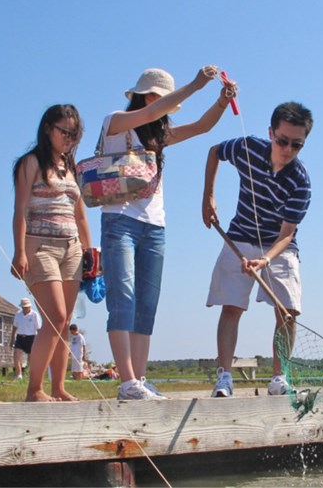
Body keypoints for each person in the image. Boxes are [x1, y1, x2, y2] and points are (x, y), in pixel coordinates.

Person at [102, 66, 236, 401]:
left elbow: (201, 127)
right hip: (120, 219)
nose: (158, 106)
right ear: (141, 94)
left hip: (155, 226)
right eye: (155, 96)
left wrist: (221, 101)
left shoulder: (158, 136)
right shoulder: (115, 122)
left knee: (146, 304)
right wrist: (195, 85)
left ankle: (140, 379)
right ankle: (127, 380)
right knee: (124, 300)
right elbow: (149, 112)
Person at [204, 102, 314, 399]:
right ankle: (224, 376)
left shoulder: (300, 183)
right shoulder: (248, 147)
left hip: (278, 245)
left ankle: (280, 377)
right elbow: (214, 152)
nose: (288, 149)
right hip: (240, 235)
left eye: (296, 144)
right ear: (271, 133)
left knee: (288, 310)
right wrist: (208, 197)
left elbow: (287, 234)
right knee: (232, 306)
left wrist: (265, 259)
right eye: (282, 140)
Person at [11, 105, 90, 402]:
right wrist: (19, 252)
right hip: (39, 244)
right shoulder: (30, 163)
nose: (69, 139)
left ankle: (59, 387)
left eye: (74, 134)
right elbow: (20, 210)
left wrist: (89, 249)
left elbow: (80, 214)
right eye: (64, 132)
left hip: (71, 247)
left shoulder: (72, 169)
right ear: (48, 129)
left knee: (66, 319)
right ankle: (35, 389)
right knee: (54, 316)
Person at [12, 298, 41, 380]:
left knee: (31, 358)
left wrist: (39, 340)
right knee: (16, 356)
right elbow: (14, 327)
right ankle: (19, 375)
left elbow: (38, 328)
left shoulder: (34, 314)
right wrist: (12, 339)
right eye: (23, 307)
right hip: (20, 337)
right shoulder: (18, 314)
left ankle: (32, 375)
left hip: (31, 337)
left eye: (26, 307)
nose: (25, 308)